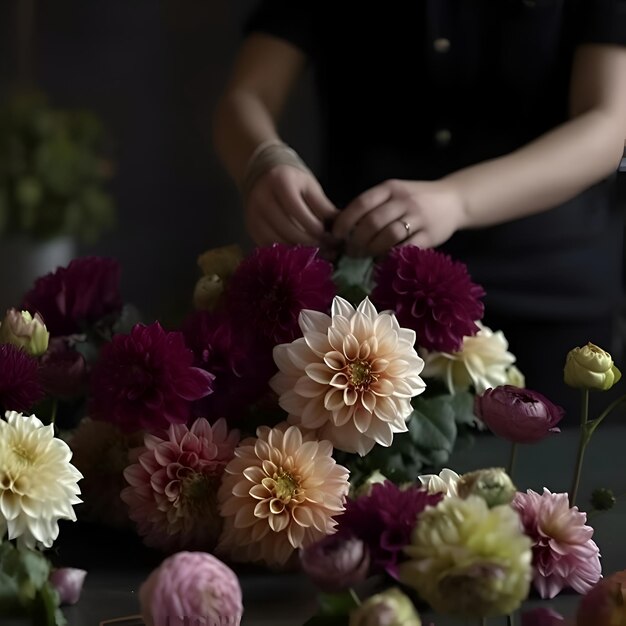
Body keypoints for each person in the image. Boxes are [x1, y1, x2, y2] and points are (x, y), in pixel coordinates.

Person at [212, 0, 626, 416]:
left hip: (549, 292)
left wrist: (457, 199)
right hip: (366, 293)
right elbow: (248, 93)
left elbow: (608, 123)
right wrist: (262, 159)